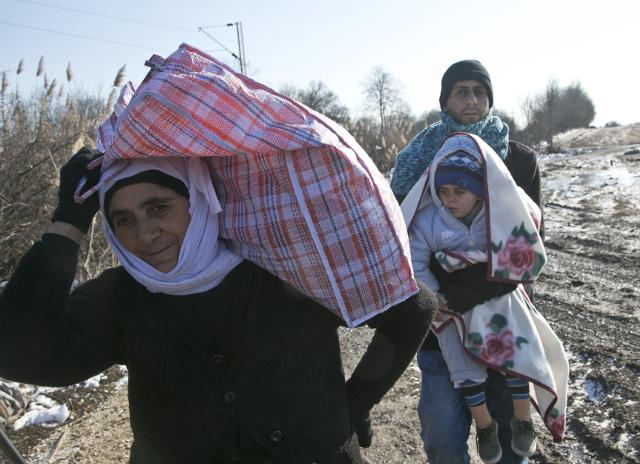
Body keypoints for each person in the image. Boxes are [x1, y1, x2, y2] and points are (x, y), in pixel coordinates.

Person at [0, 44, 438, 463]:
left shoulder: (280, 263)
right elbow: (19, 350)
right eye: (124, 220)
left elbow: (413, 309)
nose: (146, 233)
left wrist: (356, 402)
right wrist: (67, 224)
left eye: (160, 207)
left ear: (198, 198)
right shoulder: (123, 298)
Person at [391, 59, 544, 464]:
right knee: (441, 436)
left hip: (502, 313)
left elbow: (525, 248)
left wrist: (470, 291)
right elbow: (403, 234)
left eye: (480, 91)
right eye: (462, 91)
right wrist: (433, 297)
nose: (472, 99)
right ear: (445, 100)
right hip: (440, 324)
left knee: (509, 440)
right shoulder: (420, 159)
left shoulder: (518, 161)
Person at [404, 133, 567, 464]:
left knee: (516, 349)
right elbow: (414, 258)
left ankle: (522, 420)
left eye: (459, 192)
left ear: (480, 190)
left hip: (499, 305)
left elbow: (527, 225)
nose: (449, 199)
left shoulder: (497, 211)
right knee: (460, 364)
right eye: (443, 191)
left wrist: (482, 284)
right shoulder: (429, 219)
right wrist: (434, 297)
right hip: (452, 313)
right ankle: (485, 426)